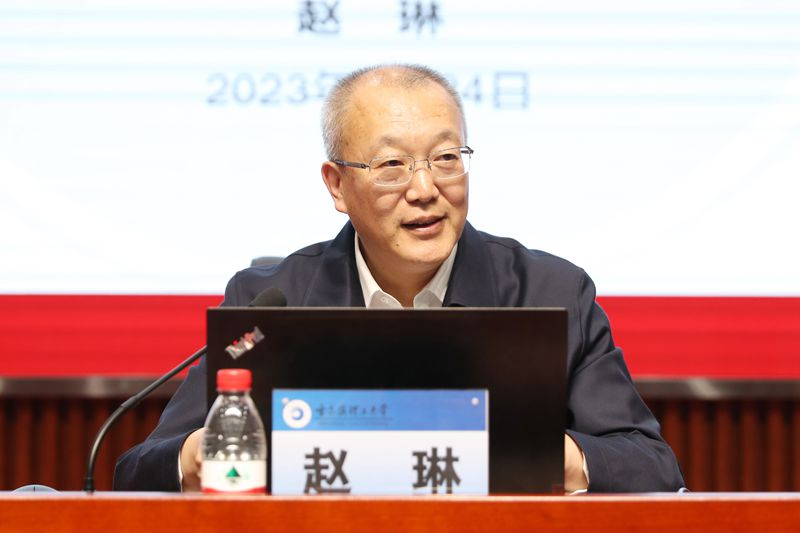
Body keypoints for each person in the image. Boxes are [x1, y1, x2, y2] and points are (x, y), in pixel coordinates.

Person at [114, 64, 685, 493]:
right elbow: (139, 471)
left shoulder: (551, 293)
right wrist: (202, 456)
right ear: (337, 185)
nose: (425, 189)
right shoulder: (270, 302)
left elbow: (651, 466)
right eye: (392, 165)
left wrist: (542, 457)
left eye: (446, 158)